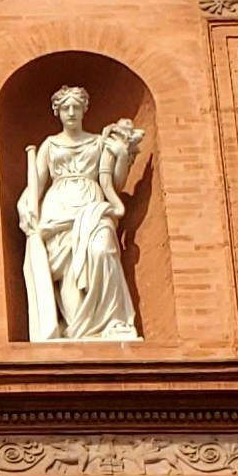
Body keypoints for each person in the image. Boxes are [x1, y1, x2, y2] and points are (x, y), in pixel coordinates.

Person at [18, 83, 145, 340]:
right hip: (58, 207)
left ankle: (108, 321)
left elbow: (113, 183)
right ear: (58, 112)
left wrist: (120, 156)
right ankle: (77, 329)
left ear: (85, 109)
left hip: (93, 207)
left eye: (77, 106)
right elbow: (37, 183)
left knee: (102, 250)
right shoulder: (50, 145)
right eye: (66, 107)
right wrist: (23, 206)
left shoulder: (99, 143)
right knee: (67, 271)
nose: (72, 112)